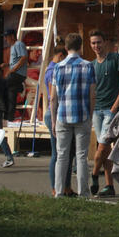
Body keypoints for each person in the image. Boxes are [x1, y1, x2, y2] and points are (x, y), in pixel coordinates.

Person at [50, 33, 95, 198]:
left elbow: (53, 97)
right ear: (81, 47)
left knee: (62, 155)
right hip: (82, 114)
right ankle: (84, 192)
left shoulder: (58, 67)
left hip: (63, 115)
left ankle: (59, 191)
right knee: (81, 156)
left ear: (66, 48)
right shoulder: (88, 66)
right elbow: (92, 95)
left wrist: (54, 121)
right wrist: (90, 116)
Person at [89, 30, 119, 198]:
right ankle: (109, 185)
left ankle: (94, 174)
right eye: (93, 43)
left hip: (111, 110)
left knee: (103, 146)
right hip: (97, 110)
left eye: (98, 42)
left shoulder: (115, 58)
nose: (96, 46)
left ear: (104, 42)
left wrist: (114, 108)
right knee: (103, 149)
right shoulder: (91, 65)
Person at [44, 41, 73, 194]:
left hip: (57, 111)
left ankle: (66, 187)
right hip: (54, 112)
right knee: (57, 153)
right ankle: (56, 187)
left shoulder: (53, 68)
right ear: (61, 55)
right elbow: (52, 96)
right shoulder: (53, 70)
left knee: (66, 152)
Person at [3, 29, 28, 123]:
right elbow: (15, 62)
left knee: (4, 84)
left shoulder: (18, 44)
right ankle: (9, 117)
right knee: (11, 94)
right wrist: (6, 65)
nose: (6, 39)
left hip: (17, 74)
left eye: (7, 36)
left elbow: (24, 57)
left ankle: (20, 86)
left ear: (12, 36)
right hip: (15, 73)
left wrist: (13, 69)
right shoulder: (13, 47)